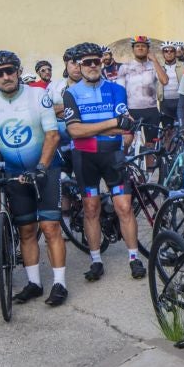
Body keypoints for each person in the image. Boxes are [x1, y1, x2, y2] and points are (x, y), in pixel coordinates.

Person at [0, 49, 68, 306]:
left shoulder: (38, 95)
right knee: (26, 230)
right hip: (14, 174)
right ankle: (34, 283)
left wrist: (41, 166)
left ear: (18, 71)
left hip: (45, 169)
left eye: (10, 70)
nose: (6, 76)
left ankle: (59, 283)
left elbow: (52, 136)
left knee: (50, 227)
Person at [59, 41, 146, 281]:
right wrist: (110, 125)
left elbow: (126, 127)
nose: (92, 66)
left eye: (96, 61)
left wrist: (105, 131)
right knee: (91, 208)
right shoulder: (71, 94)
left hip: (113, 156)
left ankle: (134, 257)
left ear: (102, 62)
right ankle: (96, 259)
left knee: (125, 208)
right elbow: (75, 131)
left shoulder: (117, 89)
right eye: (87, 62)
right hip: (85, 158)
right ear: (78, 66)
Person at [117, 35, 166, 146]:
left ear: (148, 49)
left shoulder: (154, 66)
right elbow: (120, 91)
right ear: (133, 49)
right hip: (132, 110)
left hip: (151, 110)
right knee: (127, 141)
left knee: (150, 145)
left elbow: (164, 81)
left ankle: (149, 164)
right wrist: (124, 112)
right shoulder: (125, 67)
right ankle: (124, 163)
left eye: (143, 46)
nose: (140, 48)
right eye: (137, 46)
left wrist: (155, 61)